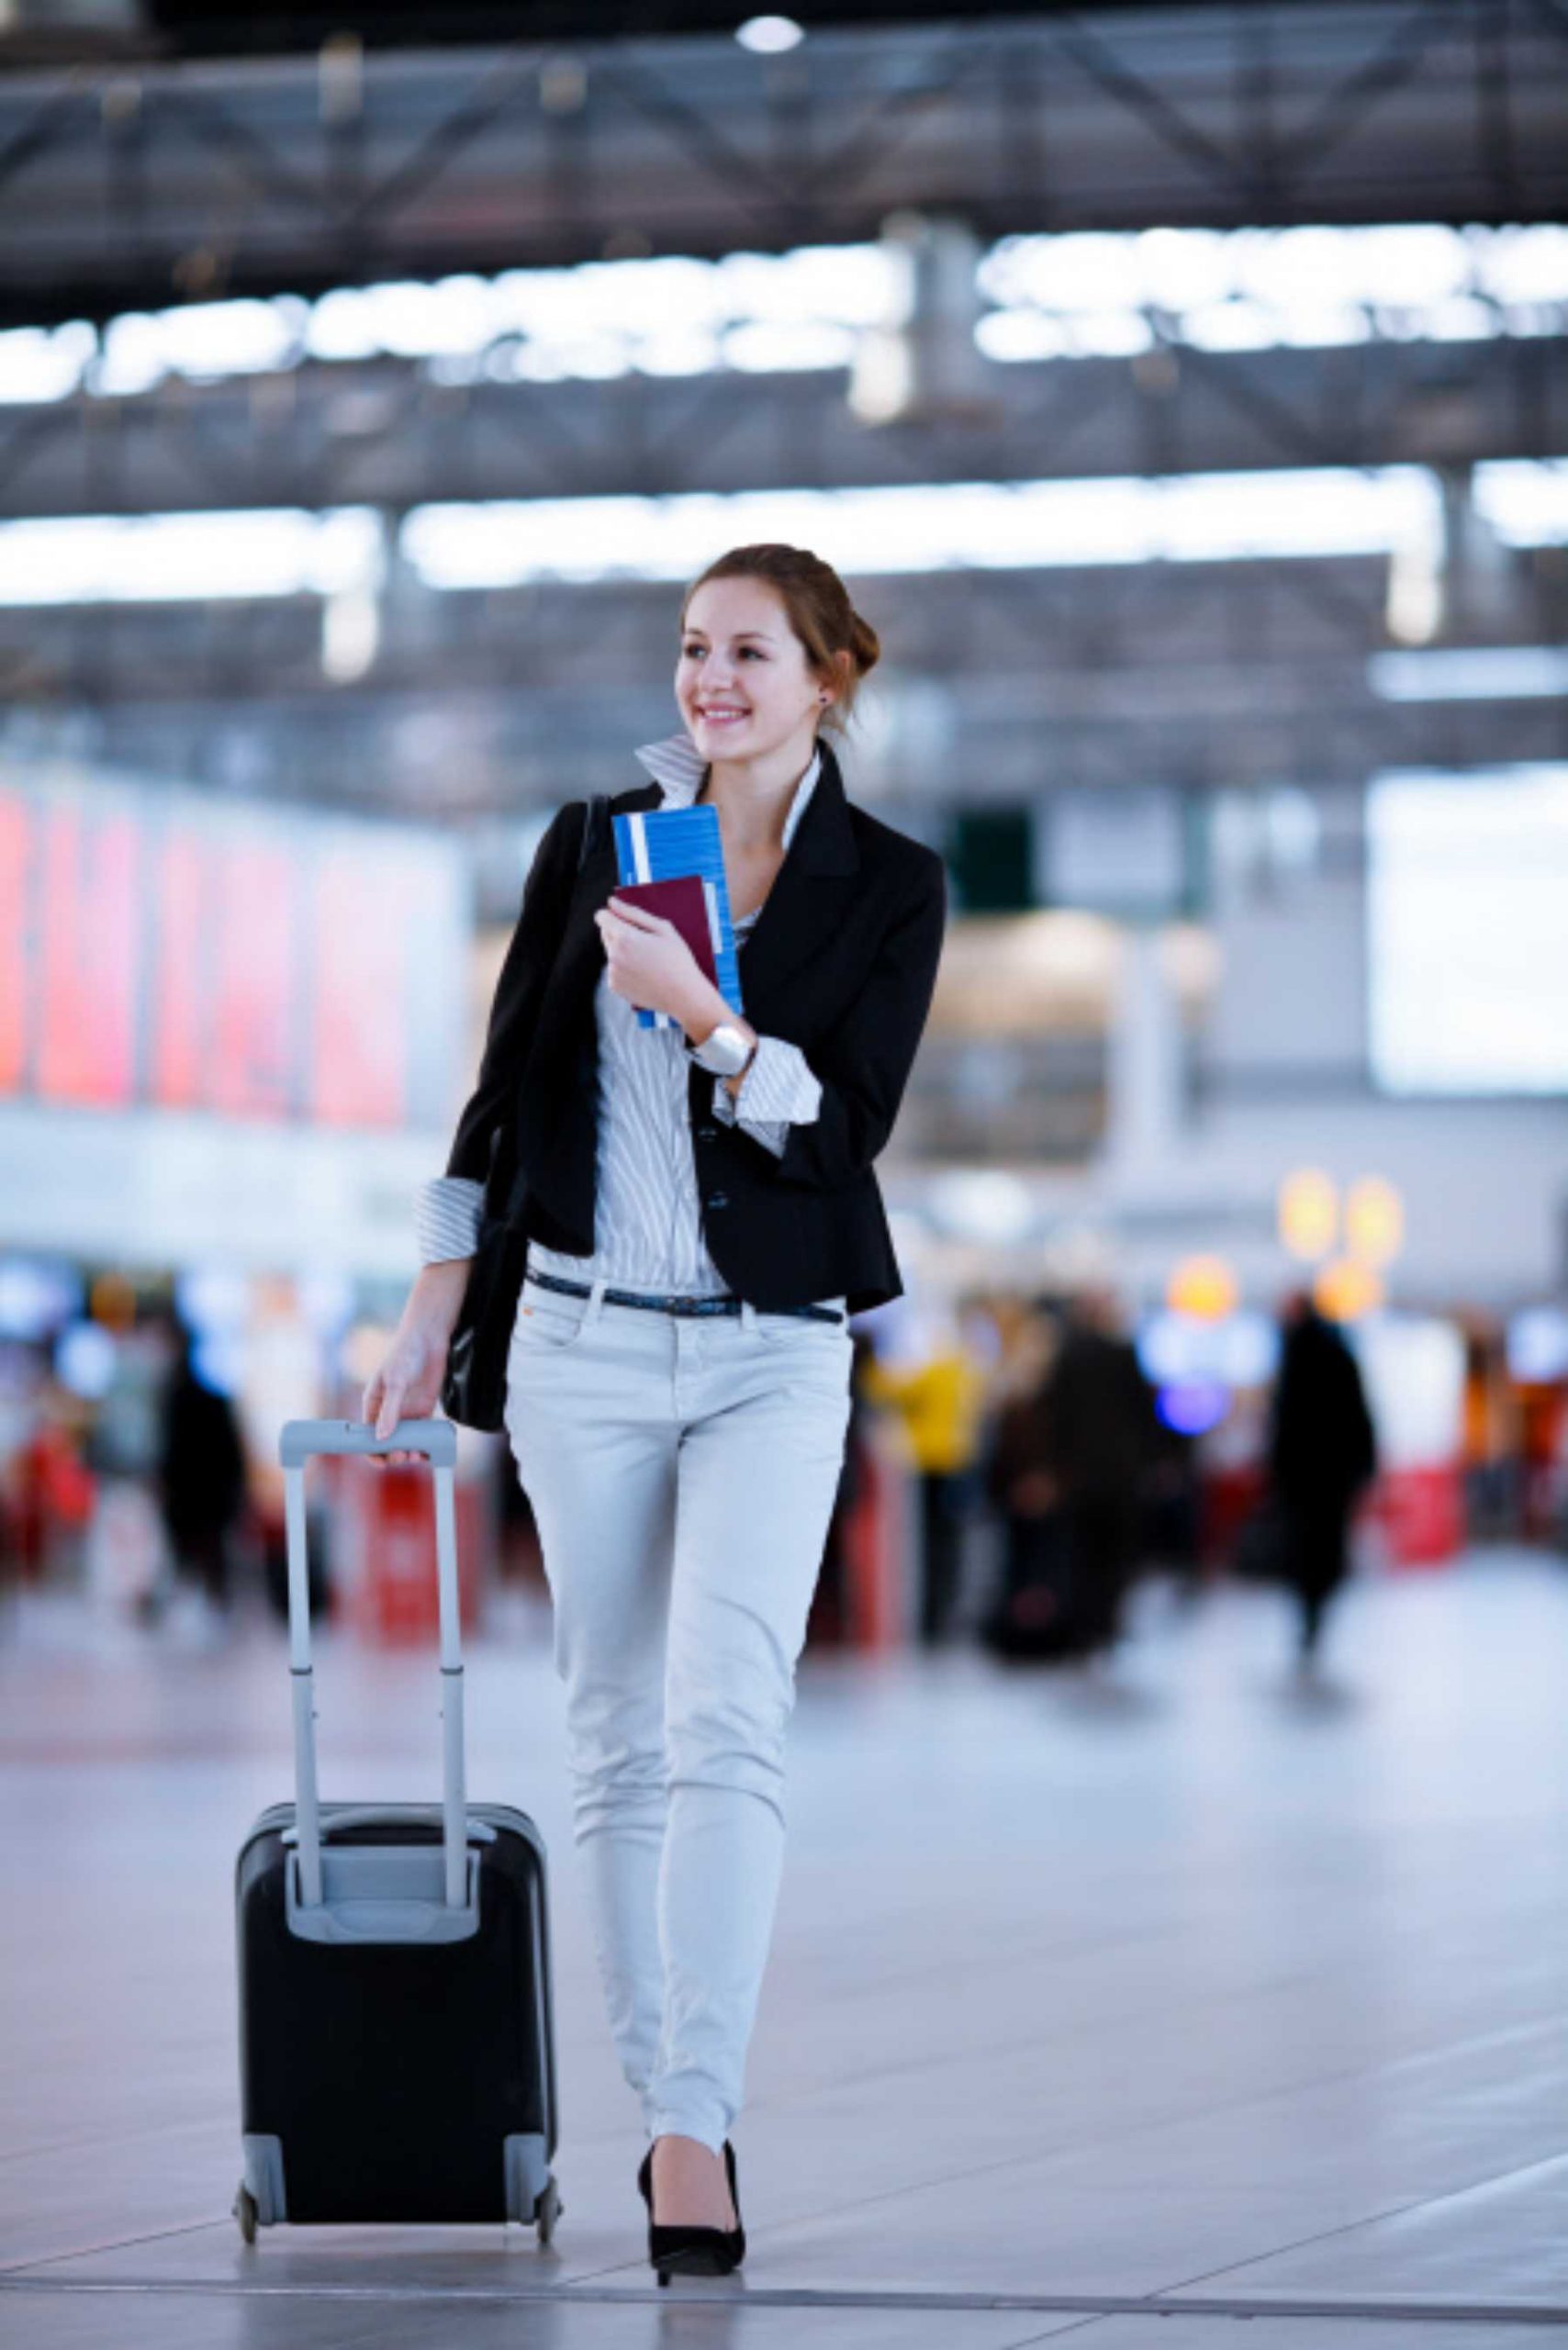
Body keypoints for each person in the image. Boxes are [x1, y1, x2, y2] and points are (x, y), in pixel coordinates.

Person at [364, 543, 946, 2281]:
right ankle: (652, 2107)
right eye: (694, 649)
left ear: (825, 678)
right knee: (614, 1732)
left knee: (727, 1722)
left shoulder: (889, 885)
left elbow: (841, 1132)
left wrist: (708, 1023)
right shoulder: (594, 841)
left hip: (772, 1344)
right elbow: (501, 1092)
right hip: (582, 1346)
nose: (713, 680)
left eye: (750, 653)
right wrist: (434, 1289)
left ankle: (695, 2120)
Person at [1040, 1286, 1158, 1662]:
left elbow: (1055, 1418)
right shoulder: (1123, 1354)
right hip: (1119, 1475)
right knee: (1115, 1556)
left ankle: (1087, 1627)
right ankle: (1107, 1624)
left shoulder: (1069, 1357)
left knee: (1082, 1553)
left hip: (1081, 1475)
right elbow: (1145, 1414)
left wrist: (1055, 1468)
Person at [1267, 1292, 1378, 1671]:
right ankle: (1316, 1608)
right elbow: (1361, 1415)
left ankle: (1310, 1610)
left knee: (1304, 1547)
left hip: (1303, 1476)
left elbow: (1281, 1424)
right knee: (1326, 1547)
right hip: (1333, 1476)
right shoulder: (1338, 1352)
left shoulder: (1294, 1356)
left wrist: (1277, 1471)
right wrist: (1364, 1466)